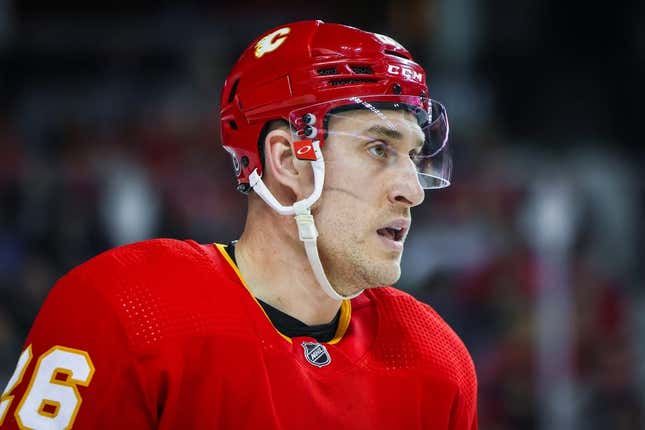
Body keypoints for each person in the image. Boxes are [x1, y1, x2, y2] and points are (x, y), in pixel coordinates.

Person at [0, 20, 477, 429]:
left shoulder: (434, 359)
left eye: (413, 157)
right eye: (379, 150)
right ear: (287, 159)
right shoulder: (126, 311)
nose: (412, 190)